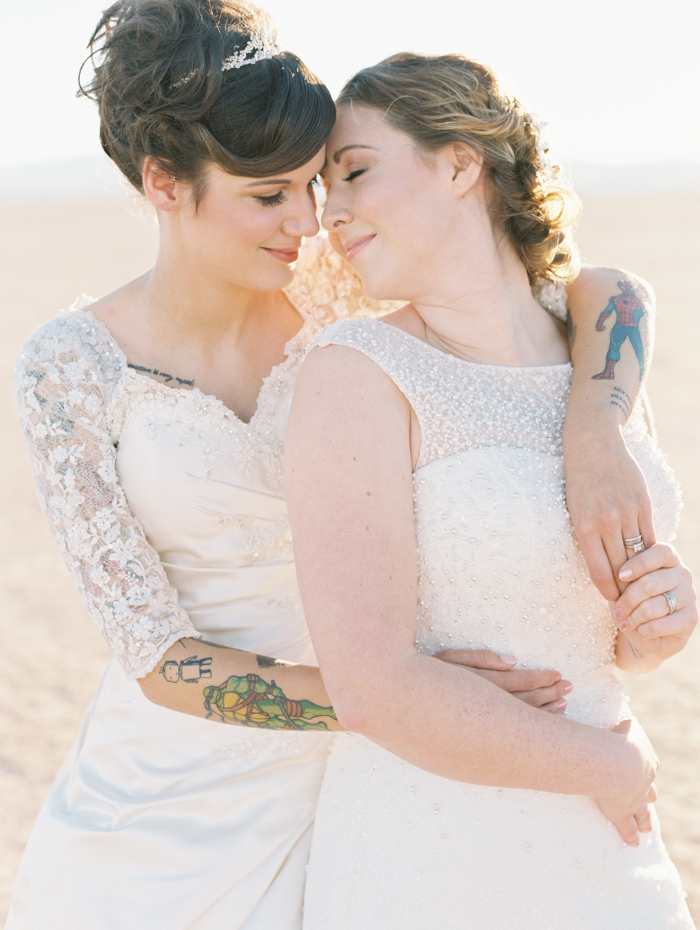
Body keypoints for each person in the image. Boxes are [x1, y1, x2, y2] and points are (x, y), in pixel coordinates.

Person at [8, 2, 695, 927]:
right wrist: (389, 698)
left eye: (313, 185)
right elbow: (158, 658)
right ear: (164, 183)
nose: (309, 222)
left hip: (379, 775)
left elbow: (602, 290)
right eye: (269, 196)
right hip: (175, 796)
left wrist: (594, 421)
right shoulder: (71, 365)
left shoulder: (331, 289)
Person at [285, 53, 697, 929]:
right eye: (325, 191)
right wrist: (609, 768)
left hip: (611, 846)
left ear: (462, 163)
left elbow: (606, 637)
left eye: (355, 172)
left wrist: (654, 629)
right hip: (436, 847)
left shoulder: (598, 357)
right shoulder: (356, 375)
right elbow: (367, 686)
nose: (333, 215)